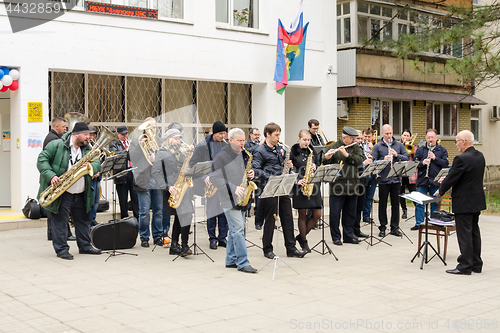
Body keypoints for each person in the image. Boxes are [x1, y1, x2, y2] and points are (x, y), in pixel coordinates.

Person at [37, 122, 102, 260]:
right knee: (60, 221)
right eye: (85, 134)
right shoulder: (56, 145)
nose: (88, 137)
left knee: (83, 220)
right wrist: (51, 175)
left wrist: (91, 167)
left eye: (89, 135)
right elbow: (42, 160)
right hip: (63, 192)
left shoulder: (87, 148)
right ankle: (61, 249)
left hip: (81, 192)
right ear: (76, 134)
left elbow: (96, 162)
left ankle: (85, 246)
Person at [252, 122, 306, 259]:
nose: (278, 137)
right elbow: (256, 170)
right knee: (270, 219)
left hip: (282, 187)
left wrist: (286, 164)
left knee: (288, 218)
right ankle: (267, 249)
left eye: (279, 134)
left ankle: (291, 248)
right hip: (269, 188)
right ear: (268, 134)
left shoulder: (279, 149)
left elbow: (280, 166)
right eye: (276, 135)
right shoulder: (260, 151)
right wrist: (272, 177)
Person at [436, 130, 485, 275]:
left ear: (463, 141)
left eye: (457, 141)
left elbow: (452, 178)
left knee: (464, 234)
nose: (456, 144)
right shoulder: (480, 156)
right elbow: (465, 177)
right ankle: (476, 264)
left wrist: (441, 189)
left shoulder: (461, 158)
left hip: (463, 202)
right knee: (474, 232)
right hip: (476, 201)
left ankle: (464, 266)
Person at [211, 128, 258, 273]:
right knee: (238, 230)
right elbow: (215, 178)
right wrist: (233, 187)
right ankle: (243, 262)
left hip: (242, 198)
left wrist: (251, 174)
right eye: (239, 141)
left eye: (243, 140)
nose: (242, 143)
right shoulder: (222, 156)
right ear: (230, 140)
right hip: (227, 198)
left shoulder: (244, 155)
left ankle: (230, 259)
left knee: (234, 231)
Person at [151, 129, 194, 257]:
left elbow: (184, 166)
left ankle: (180, 244)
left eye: (179, 138)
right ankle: (178, 245)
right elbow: (155, 172)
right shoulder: (162, 152)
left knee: (187, 215)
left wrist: (188, 169)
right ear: (169, 139)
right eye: (176, 138)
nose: (178, 141)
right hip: (172, 189)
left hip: (183, 186)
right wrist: (166, 186)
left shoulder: (181, 152)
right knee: (180, 217)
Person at [190, 121, 229, 250]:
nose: (223, 136)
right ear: (213, 133)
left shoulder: (225, 145)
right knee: (212, 212)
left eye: (224, 133)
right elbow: (193, 165)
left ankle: (222, 238)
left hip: (222, 181)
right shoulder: (202, 146)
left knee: (223, 212)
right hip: (210, 183)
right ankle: (212, 238)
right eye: (220, 134)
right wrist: (204, 176)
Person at [323, 126, 364, 246]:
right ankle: (336, 237)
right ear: (344, 137)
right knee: (335, 214)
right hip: (338, 186)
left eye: (354, 138)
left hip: (353, 185)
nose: (353, 141)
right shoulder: (333, 146)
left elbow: (359, 160)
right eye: (351, 138)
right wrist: (327, 157)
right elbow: (323, 161)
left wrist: (347, 155)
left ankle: (349, 236)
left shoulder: (355, 147)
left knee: (350, 213)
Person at [129, 117, 164, 248]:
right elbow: (130, 157)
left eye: (154, 127)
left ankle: (158, 236)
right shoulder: (136, 142)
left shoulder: (160, 141)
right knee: (144, 211)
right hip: (143, 180)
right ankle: (144, 237)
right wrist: (140, 147)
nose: (152, 130)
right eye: (150, 127)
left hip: (157, 179)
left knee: (158, 210)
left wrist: (157, 158)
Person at [371, 124, 408, 238]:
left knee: (395, 205)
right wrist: (383, 159)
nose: (389, 136)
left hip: (396, 179)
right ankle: (382, 227)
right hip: (383, 179)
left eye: (391, 133)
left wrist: (397, 155)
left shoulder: (399, 145)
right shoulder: (378, 146)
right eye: (387, 134)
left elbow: (406, 157)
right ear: (382, 133)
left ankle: (394, 227)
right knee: (382, 204)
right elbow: (373, 161)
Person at [42, 117, 75, 241]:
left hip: (54, 177)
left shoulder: (53, 137)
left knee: (55, 208)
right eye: (63, 127)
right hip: (54, 178)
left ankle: (55, 233)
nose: (65, 129)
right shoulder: (53, 139)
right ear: (56, 126)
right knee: (56, 208)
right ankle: (60, 234)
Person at [290, 129, 322, 252]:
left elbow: (318, 164)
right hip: (300, 185)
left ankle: (300, 236)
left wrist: (315, 166)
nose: (307, 142)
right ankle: (304, 242)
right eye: (304, 140)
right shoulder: (293, 150)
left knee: (317, 214)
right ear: (299, 139)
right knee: (302, 214)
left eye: (308, 140)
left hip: (313, 185)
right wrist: (298, 179)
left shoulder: (312, 150)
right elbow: (290, 169)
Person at [412, 129, 449, 230]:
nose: (430, 139)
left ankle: (434, 222)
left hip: (435, 180)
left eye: (432, 137)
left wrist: (435, 158)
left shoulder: (442, 150)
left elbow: (445, 164)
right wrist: (422, 163)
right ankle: (419, 224)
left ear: (436, 138)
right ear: (426, 138)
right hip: (422, 180)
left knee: (435, 202)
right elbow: (414, 163)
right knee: (420, 202)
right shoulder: (420, 150)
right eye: (428, 138)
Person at [108, 125, 139, 220]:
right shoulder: (114, 144)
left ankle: (137, 219)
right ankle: (124, 219)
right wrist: (127, 150)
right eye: (123, 134)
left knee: (135, 198)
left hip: (132, 172)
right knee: (123, 199)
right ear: (118, 134)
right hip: (121, 174)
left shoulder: (131, 143)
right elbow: (116, 155)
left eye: (126, 133)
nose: (125, 136)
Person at [354, 130, 371, 239]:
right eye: (358, 138)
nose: (360, 141)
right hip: (355, 182)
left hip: (363, 181)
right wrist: (363, 163)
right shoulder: (350, 150)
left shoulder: (360, 148)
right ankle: (351, 231)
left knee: (360, 207)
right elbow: (352, 166)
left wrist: (368, 158)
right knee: (353, 208)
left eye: (361, 138)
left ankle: (357, 229)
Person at [399, 129, 417, 220]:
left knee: (412, 191)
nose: (405, 137)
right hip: (400, 171)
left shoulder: (413, 145)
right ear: (401, 136)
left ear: (410, 137)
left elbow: (416, 156)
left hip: (410, 172)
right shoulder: (398, 145)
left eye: (407, 136)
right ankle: (404, 211)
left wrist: (409, 147)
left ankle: (418, 209)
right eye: (404, 135)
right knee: (401, 192)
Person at [361, 127, 376, 224]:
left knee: (370, 196)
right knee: (362, 195)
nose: (367, 138)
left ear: (373, 137)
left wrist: (372, 149)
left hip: (373, 173)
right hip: (363, 173)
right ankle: (359, 214)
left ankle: (366, 216)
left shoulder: (375, 146)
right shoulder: (359, 145)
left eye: (369, 137)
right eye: (365, 136)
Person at [88, 125, 102, 227]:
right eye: (91, 134)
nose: (92, 136)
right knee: (91, 201)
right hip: (91, 177)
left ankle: (93, 218)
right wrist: (93, 171)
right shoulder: (85, 147)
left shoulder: (94, 145)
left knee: (96, 201)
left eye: (93, 134)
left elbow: (99, 160)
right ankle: (89, 222)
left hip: (97, 177)